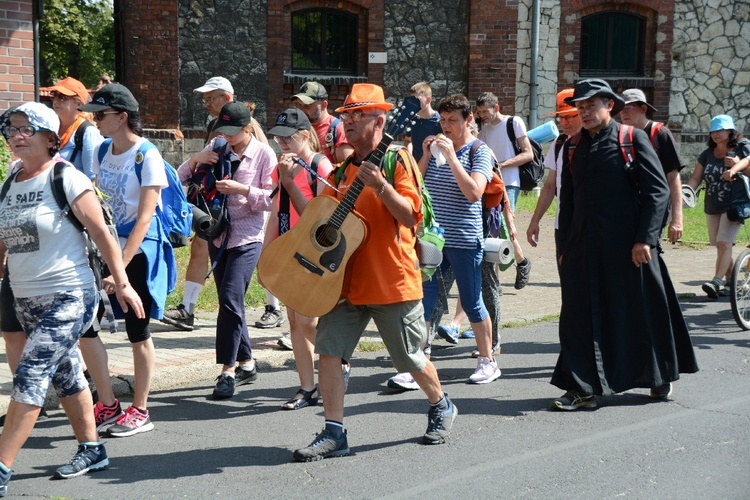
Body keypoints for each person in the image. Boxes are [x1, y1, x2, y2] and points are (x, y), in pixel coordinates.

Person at [292, 83, 456, 461]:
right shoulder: (344, 168)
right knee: (330, 354)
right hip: (345, 281)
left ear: (381, 121)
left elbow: (411, 216)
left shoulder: (398, 160)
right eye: (345, 115)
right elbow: (323, 223)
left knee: (410, 358)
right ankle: (335, 432)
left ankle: (441, 404)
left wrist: (380, 186)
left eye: (356, 115)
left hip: (390, 280)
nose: (346, 121)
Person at [0, 102, 143, 495]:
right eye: (11, 128)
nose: (16, 135)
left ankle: (1, 467)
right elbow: (3, 237)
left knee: (30, 375)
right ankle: (92, 449)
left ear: (50, 138)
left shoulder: (67, 177)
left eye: (26, 128)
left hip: (69, 295)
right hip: (26, 297)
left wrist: (122, 282)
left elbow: (101, 233)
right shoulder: (12, 180)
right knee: (65, 375)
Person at [551, 79, 699, 410]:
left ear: (610, 106)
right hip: (584, 248)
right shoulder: (572, 145)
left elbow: (657, 191)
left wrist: (645, 239)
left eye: (591, 105)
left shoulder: (631, 139)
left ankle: (657, 376)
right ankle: (581, 387)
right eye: (580, 106)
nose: (584, 111)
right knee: (578, 315)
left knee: (639, 311)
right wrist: (565, 247)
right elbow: (569, 200)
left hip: (630, 248)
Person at [81, 83, 177, 436]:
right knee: (86, 327)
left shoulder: (147, 154)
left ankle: (140, 410)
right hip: (106, 246)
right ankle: (107, 403)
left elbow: (145, 218)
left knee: (138, 331)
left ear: (121, 117)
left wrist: (119, 267)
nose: (95, 120)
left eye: (100, 114)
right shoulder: (103, 149)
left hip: (138, 250)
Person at [177, 102, 276, 399]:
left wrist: (242, 190)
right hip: (217, 235)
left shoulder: (263, 154)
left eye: (234, 131)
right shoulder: (216, 146)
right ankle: (247, 363)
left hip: (248, 237)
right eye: (224, 130)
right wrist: (196, 159)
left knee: (231, 300)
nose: (228, 136)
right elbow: (179, 179)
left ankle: (227, 371)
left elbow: (272, 198)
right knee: (231, 304)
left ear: (248, 128)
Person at [417, 94, 498, 383]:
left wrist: (452, 156)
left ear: (469, 120)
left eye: (452, 120)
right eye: (442, 120)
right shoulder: (437, 149)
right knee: (424, 301)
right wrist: (426, 156)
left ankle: (487, 360)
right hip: (433, 240)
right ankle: (419, 364)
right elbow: (417, 186)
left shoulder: (480, 151)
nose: (446, 126)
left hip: (464, 239)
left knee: (472, 300)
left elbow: (474, 192)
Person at [264, 108, 333, 409]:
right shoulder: (283, 165)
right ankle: (307, 387)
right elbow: (276, 211)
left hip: (313, 251)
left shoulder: (320, 166)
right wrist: (266, 251)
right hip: (288, 249)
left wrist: (291, 179)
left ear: (306, 136)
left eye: (288, 138)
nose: (282, 144)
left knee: (307, 319)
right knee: (293, 320)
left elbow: (321, 217)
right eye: (278, 139)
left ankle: (336, 359)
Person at [161, 76, 235, 331]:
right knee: (200, 248)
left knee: (255, 256)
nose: (206, 103)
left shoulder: (248, 127)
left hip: (235, 208)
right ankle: (188, 309)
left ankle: (273, 306)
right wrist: (196, 158)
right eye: (204, 98)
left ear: (226, 98)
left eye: (210, 98)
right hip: (215, 206)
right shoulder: (215, 126)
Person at [685, 114, 750, 298]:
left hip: (733, 203)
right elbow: (696, 178)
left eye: (720, 130)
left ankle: (717, 281)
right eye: (713, 131)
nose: (715, 134)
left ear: (730, 131)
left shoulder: (741, 148)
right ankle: (731, 282)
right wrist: (685, 192)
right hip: (712, 204)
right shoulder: (707, 154)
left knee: (724, 243)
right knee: (720, 246)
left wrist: (737, 166)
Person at [475, 92, 532, 290]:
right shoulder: (483, 128)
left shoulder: (513, 123)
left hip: (509, 182)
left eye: (486, 111)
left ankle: (522, 262)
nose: (483, 115)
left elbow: (528, 154)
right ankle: (496, 282)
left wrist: (501, 165)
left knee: (504, 228)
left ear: (497, 108)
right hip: (490, 183)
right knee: (493, 229)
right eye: (480, 112)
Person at [620, 88, 686, 244]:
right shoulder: (622, 136)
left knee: (648, 250)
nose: (623, 113)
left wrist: (677, 219)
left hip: (656, 207)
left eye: (628, 108)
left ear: (643, 108)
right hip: (630, 206)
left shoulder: (661, 134)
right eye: (621, 109)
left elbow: (674, 177)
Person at [527, 89, 581, 252]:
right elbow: (550, 186)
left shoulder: (597, 144)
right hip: (563, 224)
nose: (564, 122)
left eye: (569, 117)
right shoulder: (560, 143)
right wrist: (535, 220)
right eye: (561, 117)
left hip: (590, 227)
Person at [291, 81, 353, 163]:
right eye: (299, 105)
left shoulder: (338, 130)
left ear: (324, 105)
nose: (302, 110)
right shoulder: (298, 129)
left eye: (307, 106)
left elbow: (346, 171)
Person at [403, 81, 441, 162]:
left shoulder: (440, 121)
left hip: (434, 170)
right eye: (412, 100)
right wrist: (409, 158)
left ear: (428, 99)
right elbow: (408, 140)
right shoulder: (412, 120)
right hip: (416, 170)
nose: (414, 104)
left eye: (418, 100)